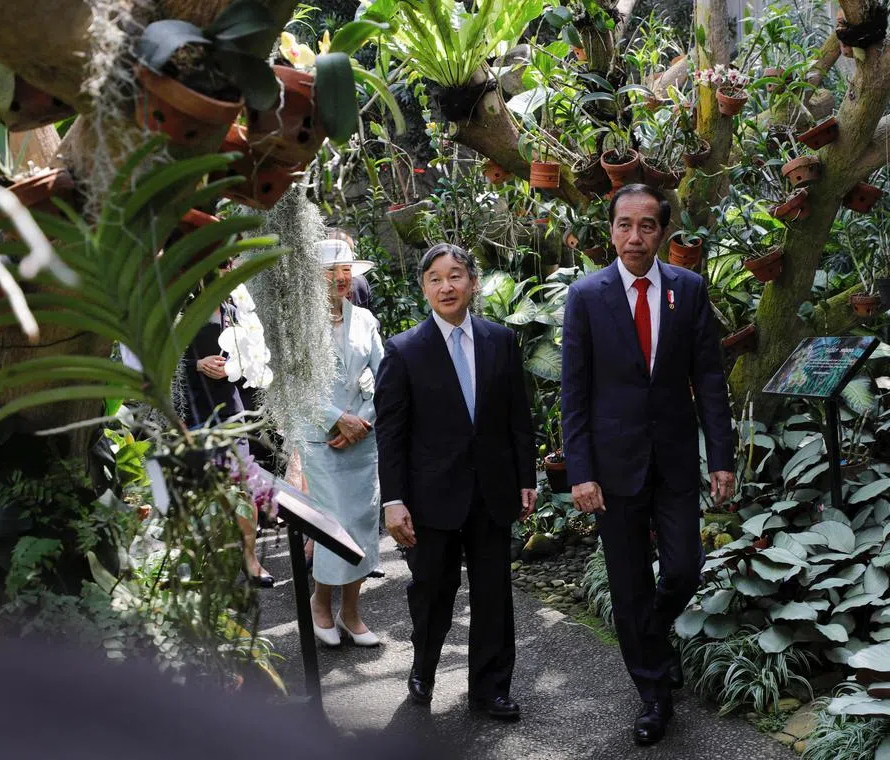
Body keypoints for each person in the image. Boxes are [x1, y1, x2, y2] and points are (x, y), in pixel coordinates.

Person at [560, 184, 736, 746]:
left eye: (647, 226)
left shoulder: (688, 289)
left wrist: (722, 457)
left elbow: (709, 379)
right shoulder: (587, 296)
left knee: (684, 566)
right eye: (624, 225)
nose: (634, 237)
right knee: (629, 582)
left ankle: (652, 635)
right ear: (610, 230)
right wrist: (580, 471)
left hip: (677, 459)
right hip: (612, 469)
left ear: (662, 231)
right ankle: (653, 693)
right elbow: (575, 393)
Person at [373, 243, 536, 721]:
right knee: (431, 591)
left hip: (492, 492)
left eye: (456, 275)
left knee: (493, 596)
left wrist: (525, 477)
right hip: (430, 498)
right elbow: (391, 433)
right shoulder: (403, 351)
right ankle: (423, 667)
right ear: (424, 288)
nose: (447, 286)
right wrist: (394, 499)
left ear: (473, 282)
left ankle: (489, 690)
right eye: (435, 279)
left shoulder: (500, 341)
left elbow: (518, 419)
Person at [297, 238, 384, 648]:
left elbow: (384, 377)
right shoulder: (298, 325)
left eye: (346, 269)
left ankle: (351, 611)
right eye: (331, 271)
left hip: (362, 440)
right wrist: (337, 419)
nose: (341, 277)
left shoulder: (365, 320)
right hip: (322, 439)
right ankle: (320, 600)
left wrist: (362, 421)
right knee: (335, 526)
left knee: (363, 525)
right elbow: (294, 386)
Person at [180, 262, 273, 588]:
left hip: (232, 408)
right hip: (194, 409)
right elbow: (165, 358)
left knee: (243, 485)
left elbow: (256, 360)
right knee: (203, 490)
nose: (225, 273)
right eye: (218, 267)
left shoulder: (237, 312)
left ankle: (250, 558)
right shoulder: (183, 310)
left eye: (229, 267)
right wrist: (196, 364)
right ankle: (207, 563)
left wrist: (235, 364)